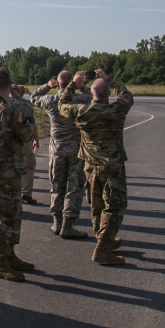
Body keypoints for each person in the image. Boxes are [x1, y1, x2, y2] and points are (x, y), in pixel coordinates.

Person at [58, 69, 133, 265]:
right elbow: (126, 96)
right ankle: (102, 247)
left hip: (90, 166)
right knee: (115, 206)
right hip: (111, 167)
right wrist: (109, 80)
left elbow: (62, 105)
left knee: (97, 203)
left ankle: (103, 237)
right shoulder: (117, 110)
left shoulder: (82, 111)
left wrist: (73, 84)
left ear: (91, 94)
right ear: (108, 94)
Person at [0, 70, 34, 281]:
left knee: (10, 214)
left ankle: (10, 255)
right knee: (5, 217)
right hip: (7, 168)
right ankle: (0, 263)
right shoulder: (7, 110)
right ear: (10, 85)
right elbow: (25, 135)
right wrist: (24, 123)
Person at [31, 71, 91, 238]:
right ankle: (68, 224)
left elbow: (33, 97)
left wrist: (47, 86)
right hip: (76, 149)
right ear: (72, 82)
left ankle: (56, 222)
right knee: (75, 187)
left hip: (57, 149)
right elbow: (96, 96)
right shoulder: (81, 99)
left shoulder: (50, 100)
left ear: (57, 83)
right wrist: (82, 87)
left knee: (57, 185)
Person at [10, 85, 40, 204]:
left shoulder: (4, 103)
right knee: (29, 165)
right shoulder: (23, 106)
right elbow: (33, 127)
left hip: (9, 140)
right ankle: (26, 192)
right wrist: (36, 140)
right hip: (24, 139)